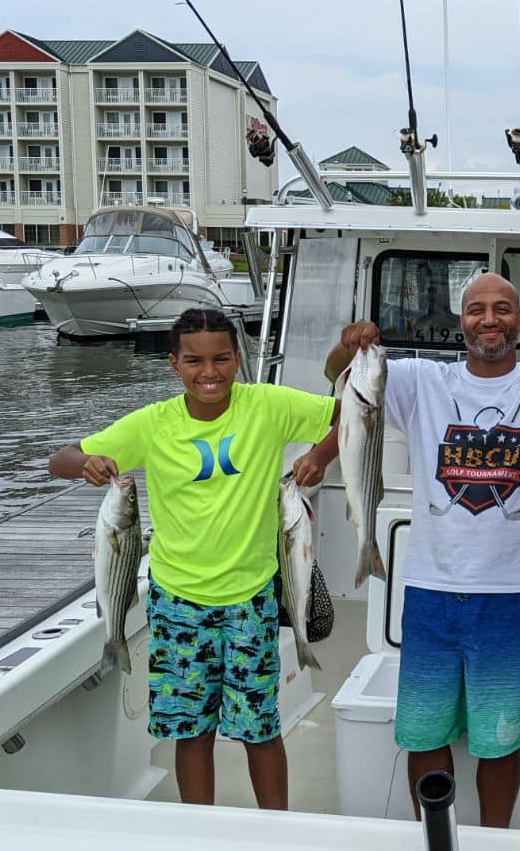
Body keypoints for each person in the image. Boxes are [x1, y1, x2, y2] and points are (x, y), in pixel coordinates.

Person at [300, 272, 520, 827]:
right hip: (432, 588)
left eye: (502, 308)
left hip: (516, 590)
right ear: (462, 322)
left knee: (502, 738)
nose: (489, 319)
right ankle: (436, 840)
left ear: (519, 321)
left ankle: (493, 842)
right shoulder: (420, 380)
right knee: (424, 731)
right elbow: (339, 374)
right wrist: (348, 343)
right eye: (477, 309)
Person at [47, 307, 336, 810]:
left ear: (238, 359)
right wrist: (88, 463)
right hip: (177, 603)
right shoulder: (153, 424)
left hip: (251, 599)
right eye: (195, 361)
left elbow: (347, 414)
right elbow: (60, 459)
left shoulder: (267, 406)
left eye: (222, 358)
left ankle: (278, 830)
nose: (210, 373)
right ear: (173, 365)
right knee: (191, 732)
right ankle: (198, 829)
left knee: (260, 729)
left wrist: (320, 456)